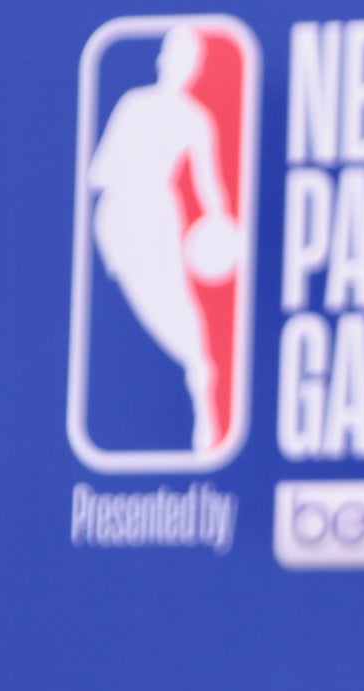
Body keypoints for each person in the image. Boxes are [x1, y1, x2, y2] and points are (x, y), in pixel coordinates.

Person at [89, 25, 236, 451]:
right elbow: (100, 174)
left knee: (183, 315)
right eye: (177, 56)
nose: (182, 66)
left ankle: (204, 402)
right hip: (120, 218)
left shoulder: (196, 119)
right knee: (140, 310)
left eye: (191, 60)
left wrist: (222, 224)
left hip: (160, 218)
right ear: (163, 60)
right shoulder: (134, 106)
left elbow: (209, 185)